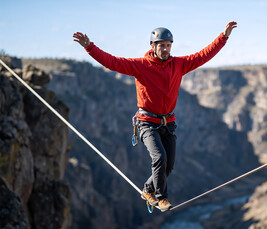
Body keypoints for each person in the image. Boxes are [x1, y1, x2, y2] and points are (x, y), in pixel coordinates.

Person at [73, 21, 237, 212]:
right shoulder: (139, 66)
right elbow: (112, 62)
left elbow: (203, 55)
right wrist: (89, 47)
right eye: (162, 45)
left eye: (168, 45)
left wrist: (223, 37)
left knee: (168, 166)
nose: (165, 49)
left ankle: (148, 189)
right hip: (147, 124)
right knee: (159, 157)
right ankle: (161, 198)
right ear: (153, 46)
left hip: (168, 124)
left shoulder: (179, 64)